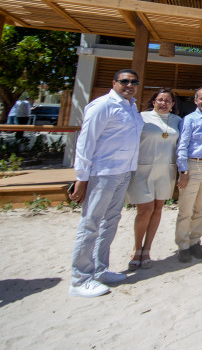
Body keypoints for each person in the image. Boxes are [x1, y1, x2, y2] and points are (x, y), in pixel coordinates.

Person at [68, 69, 144, 297]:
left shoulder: (131, 107)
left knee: (110, 221)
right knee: (91, 223)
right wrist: (81, 177)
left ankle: (100, 269)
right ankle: (80, 279)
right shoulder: (102, 105)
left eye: (134, 81)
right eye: (124, 81)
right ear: (114, 83)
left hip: (123, 172)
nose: (130, 85)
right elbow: (85, 142)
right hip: (103, 173)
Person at [126, 88, 182, 270]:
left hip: (166, 169)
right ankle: (137, 248)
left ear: (173, 104)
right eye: (160, 100)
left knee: (158, 208)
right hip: (144, 168)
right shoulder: (142, 118)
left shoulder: (177, 121)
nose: (163, 103)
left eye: (167, 101)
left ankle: (147, 249)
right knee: (144, 210)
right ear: (154, 101)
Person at [175, 87, 202, 262]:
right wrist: (183, 171)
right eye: (201, 99)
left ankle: (195, 242)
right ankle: (183, 245)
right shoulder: (189, 120)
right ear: (195, 100)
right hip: (192, 165)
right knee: (186, 209)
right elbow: (182, 145)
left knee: (201, 208)